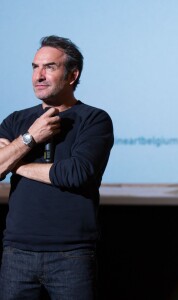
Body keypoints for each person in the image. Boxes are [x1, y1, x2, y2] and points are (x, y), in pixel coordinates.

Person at [0, 35, 114, 299]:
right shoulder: (17, 120)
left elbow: (76, 174)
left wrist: (15, 160)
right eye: (34, 67)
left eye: (49, 67)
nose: (38, 75)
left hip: (71, 255)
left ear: (72, 75)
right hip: (17, 252)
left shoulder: (94, 119)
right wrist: (30, 138)